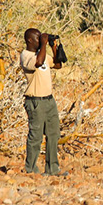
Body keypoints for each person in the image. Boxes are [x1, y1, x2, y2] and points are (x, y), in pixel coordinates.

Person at [20, 28, 66, 176]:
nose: (40, 40)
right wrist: (44, 45)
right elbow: (38, 63)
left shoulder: (42, 53)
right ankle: (31, 170)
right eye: (37, 38)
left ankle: (52, 168)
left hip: (49, 100)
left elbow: (58, 65)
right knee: (36, 136)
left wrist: (53, 46)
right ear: (29, 41)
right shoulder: (26, 55)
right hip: (35, 101)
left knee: (53, 134)